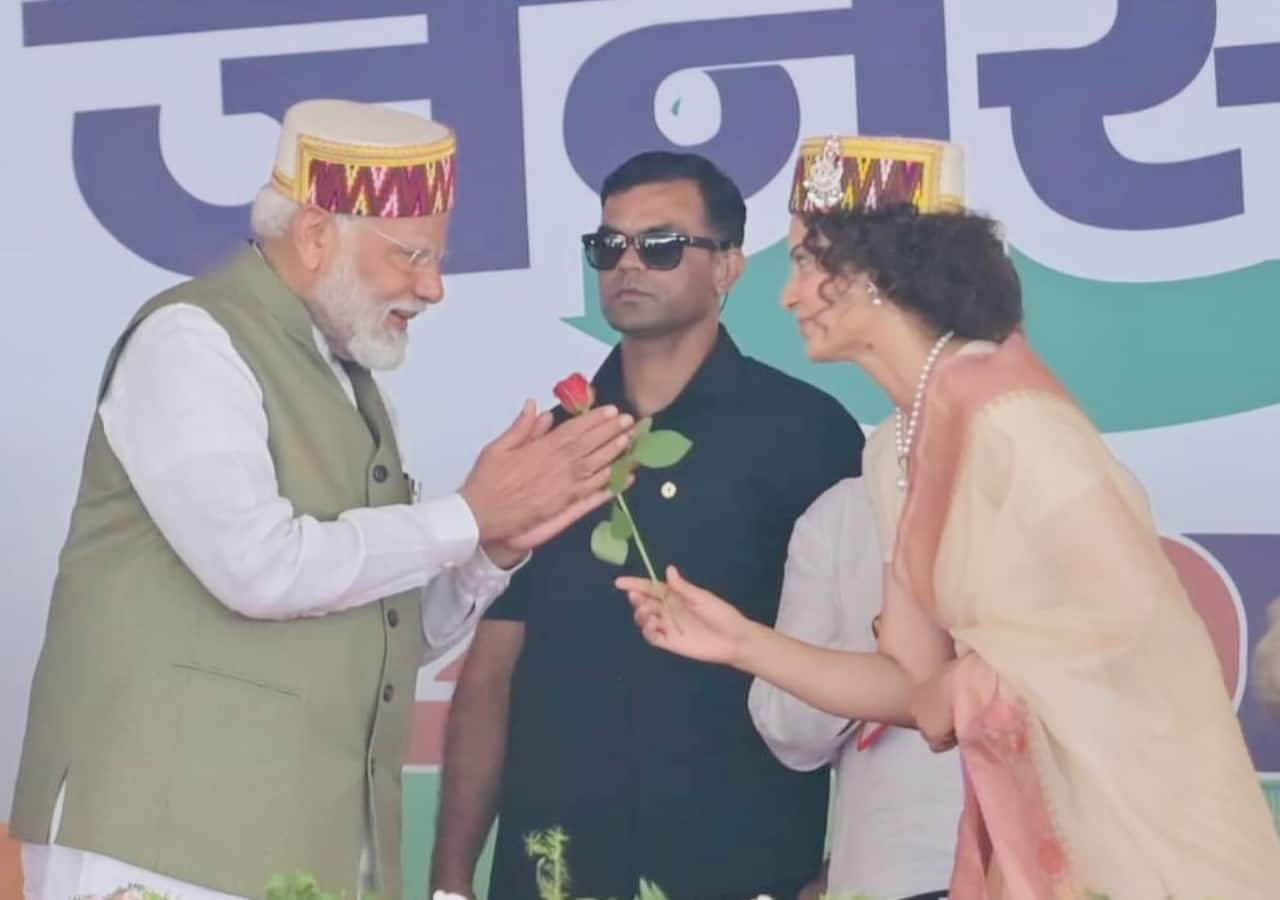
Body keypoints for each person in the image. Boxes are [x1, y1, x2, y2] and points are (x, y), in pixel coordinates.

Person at [620, 135, 1280, 898]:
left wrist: (980, 680)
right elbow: (913, 689)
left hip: (1129, 842)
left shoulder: (1015, 422)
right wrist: (741, 643)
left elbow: (1132, 623)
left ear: (874, 270)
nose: (787, 295)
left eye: (805, 262)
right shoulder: (893, 445)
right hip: (1020, 843)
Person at [10, 98, 634, 900]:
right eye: (413, 255)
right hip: (160, 851)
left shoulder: (350, 384)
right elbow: (260, 569)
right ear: (313, 236)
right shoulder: (192, 342)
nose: (434, 287)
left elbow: (385, 638)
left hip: (300, 855)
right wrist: (466, 515)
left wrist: (493, 547)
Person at [429, 151, 864, 900]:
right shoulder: (548, 447)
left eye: (659, 245)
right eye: (609, 246)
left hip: (744, 864)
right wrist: (448, 881)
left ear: (727, 268)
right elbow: (490, 675)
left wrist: (843, 872)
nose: (626, 264)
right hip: (553, 867)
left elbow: (873, 672)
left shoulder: (806, 433)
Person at [748, 474, 961, 900]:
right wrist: (889, 635)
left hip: (1036, 868)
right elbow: (787, 730)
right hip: (884, 875)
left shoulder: (1064, 494)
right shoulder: (845, 512)